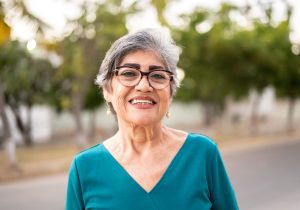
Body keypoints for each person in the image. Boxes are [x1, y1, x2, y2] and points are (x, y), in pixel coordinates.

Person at [66, 28, 239, 210]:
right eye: (129, 73)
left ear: (170, 94)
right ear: (107, 90)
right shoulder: (84, 167)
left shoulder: (202, 153)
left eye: (157, 76)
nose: (143, 86)